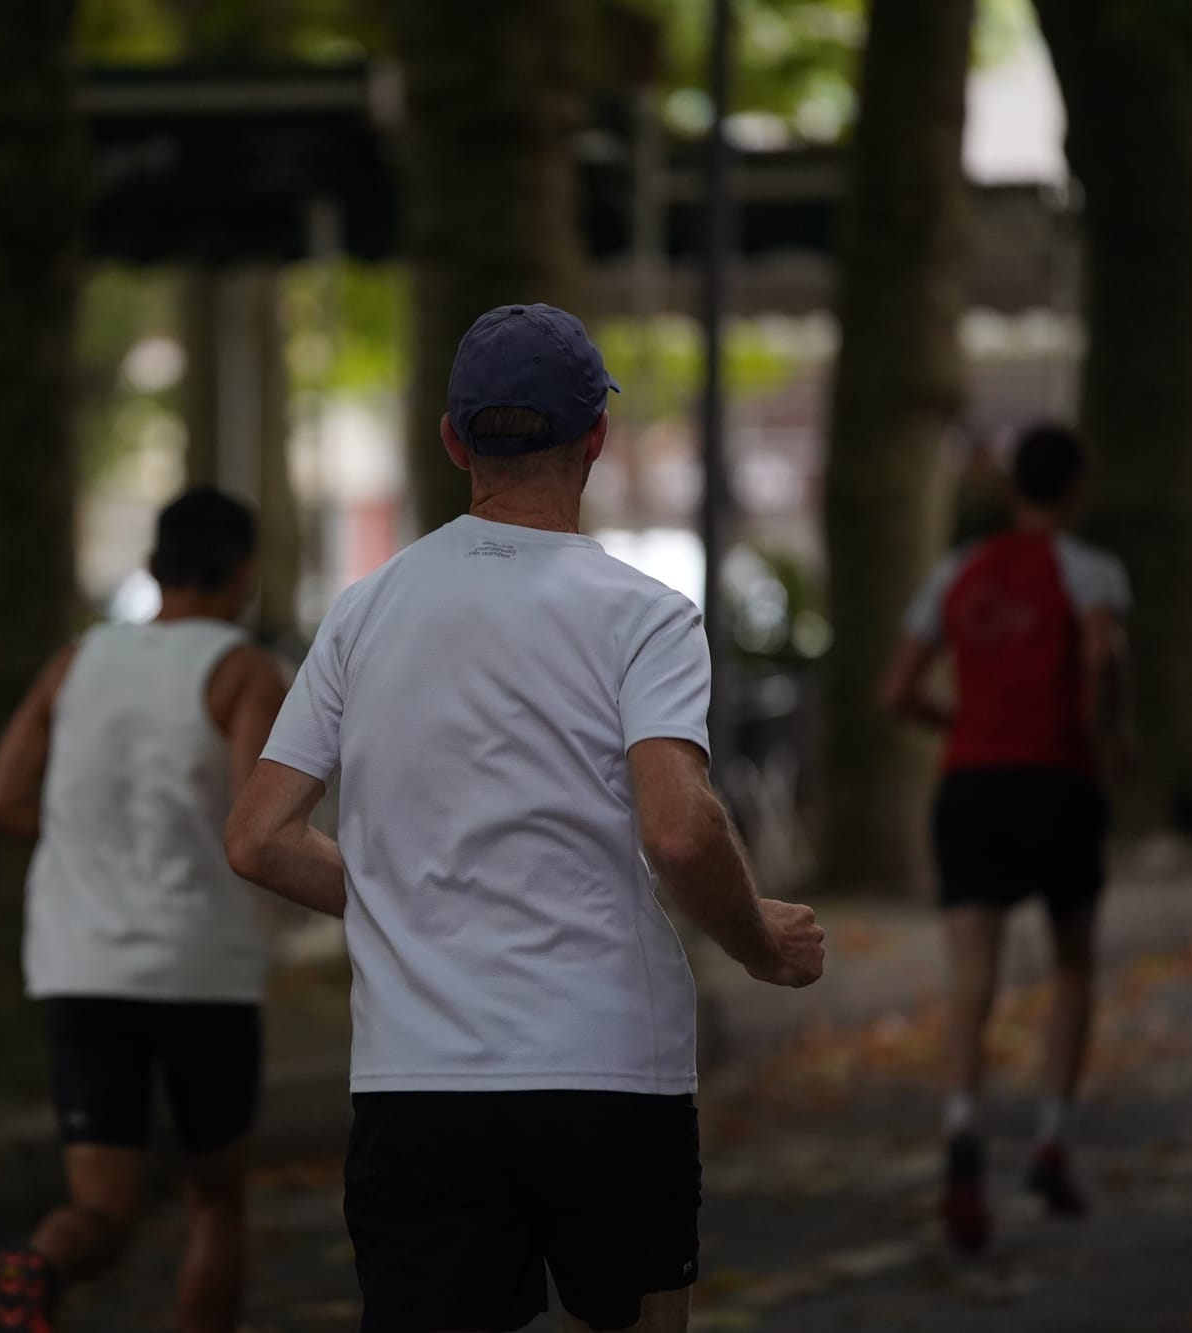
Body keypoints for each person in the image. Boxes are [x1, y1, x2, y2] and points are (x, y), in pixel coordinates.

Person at [224, 303, 826, 1333]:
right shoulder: (643, 615)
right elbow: (678, 829)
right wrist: (758, 941)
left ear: (455, 441)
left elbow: (258, 836)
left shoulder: (364, 611)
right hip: (604, 1071)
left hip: (414, 1083)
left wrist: (403, 901)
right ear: (595, 438)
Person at [0, 486, 288, 1333]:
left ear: (153, 568)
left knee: (101, 1212)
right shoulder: (244, 670)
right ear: (245, 575)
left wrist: (81, 836)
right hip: (200, 967)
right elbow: (261, 823)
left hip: (80, 964)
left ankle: (36, 1264)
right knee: (215, 1198)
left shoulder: (75, 661)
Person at [882, 422, 1132, 1253]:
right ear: (1077, 488)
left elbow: (896, 691)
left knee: (971, 972)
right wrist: (1107, 738)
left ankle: (961, 1127)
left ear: (1012, 485)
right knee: (1070, 963)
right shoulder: (1091, 570)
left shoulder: (957, 572)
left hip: (972, 787)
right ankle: (1052, 1137)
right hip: (1059, 782)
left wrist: (964, 722)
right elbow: (1098, 656)